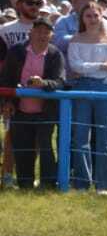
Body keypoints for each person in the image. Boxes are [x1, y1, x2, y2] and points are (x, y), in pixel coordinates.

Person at [0, 15, 64, 189]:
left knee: (45, 147)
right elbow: (5, 79)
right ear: (31, 32)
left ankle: (48, 183)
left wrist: (43, 83)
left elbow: (59, 81)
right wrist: (7, 102)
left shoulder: (55, 54)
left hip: (46, 110)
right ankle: (24, 183)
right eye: (38, 31)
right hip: (18, 109)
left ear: (51, 35)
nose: (42, 35)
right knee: (22, 148)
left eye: (46, 32)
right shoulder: (16, 51)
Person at [67, 0, 107, 193]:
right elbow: (75, 66)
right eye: (88, 16)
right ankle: (82, 183)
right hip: (82, 87)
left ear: (101, 17)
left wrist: (88, 66)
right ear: (82, 18)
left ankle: (104, 185)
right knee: (80, 136)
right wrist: (99, 65)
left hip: (105, 87)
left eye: (95, 15)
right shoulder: (75, 39)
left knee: (106, 136)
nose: (92, 19)